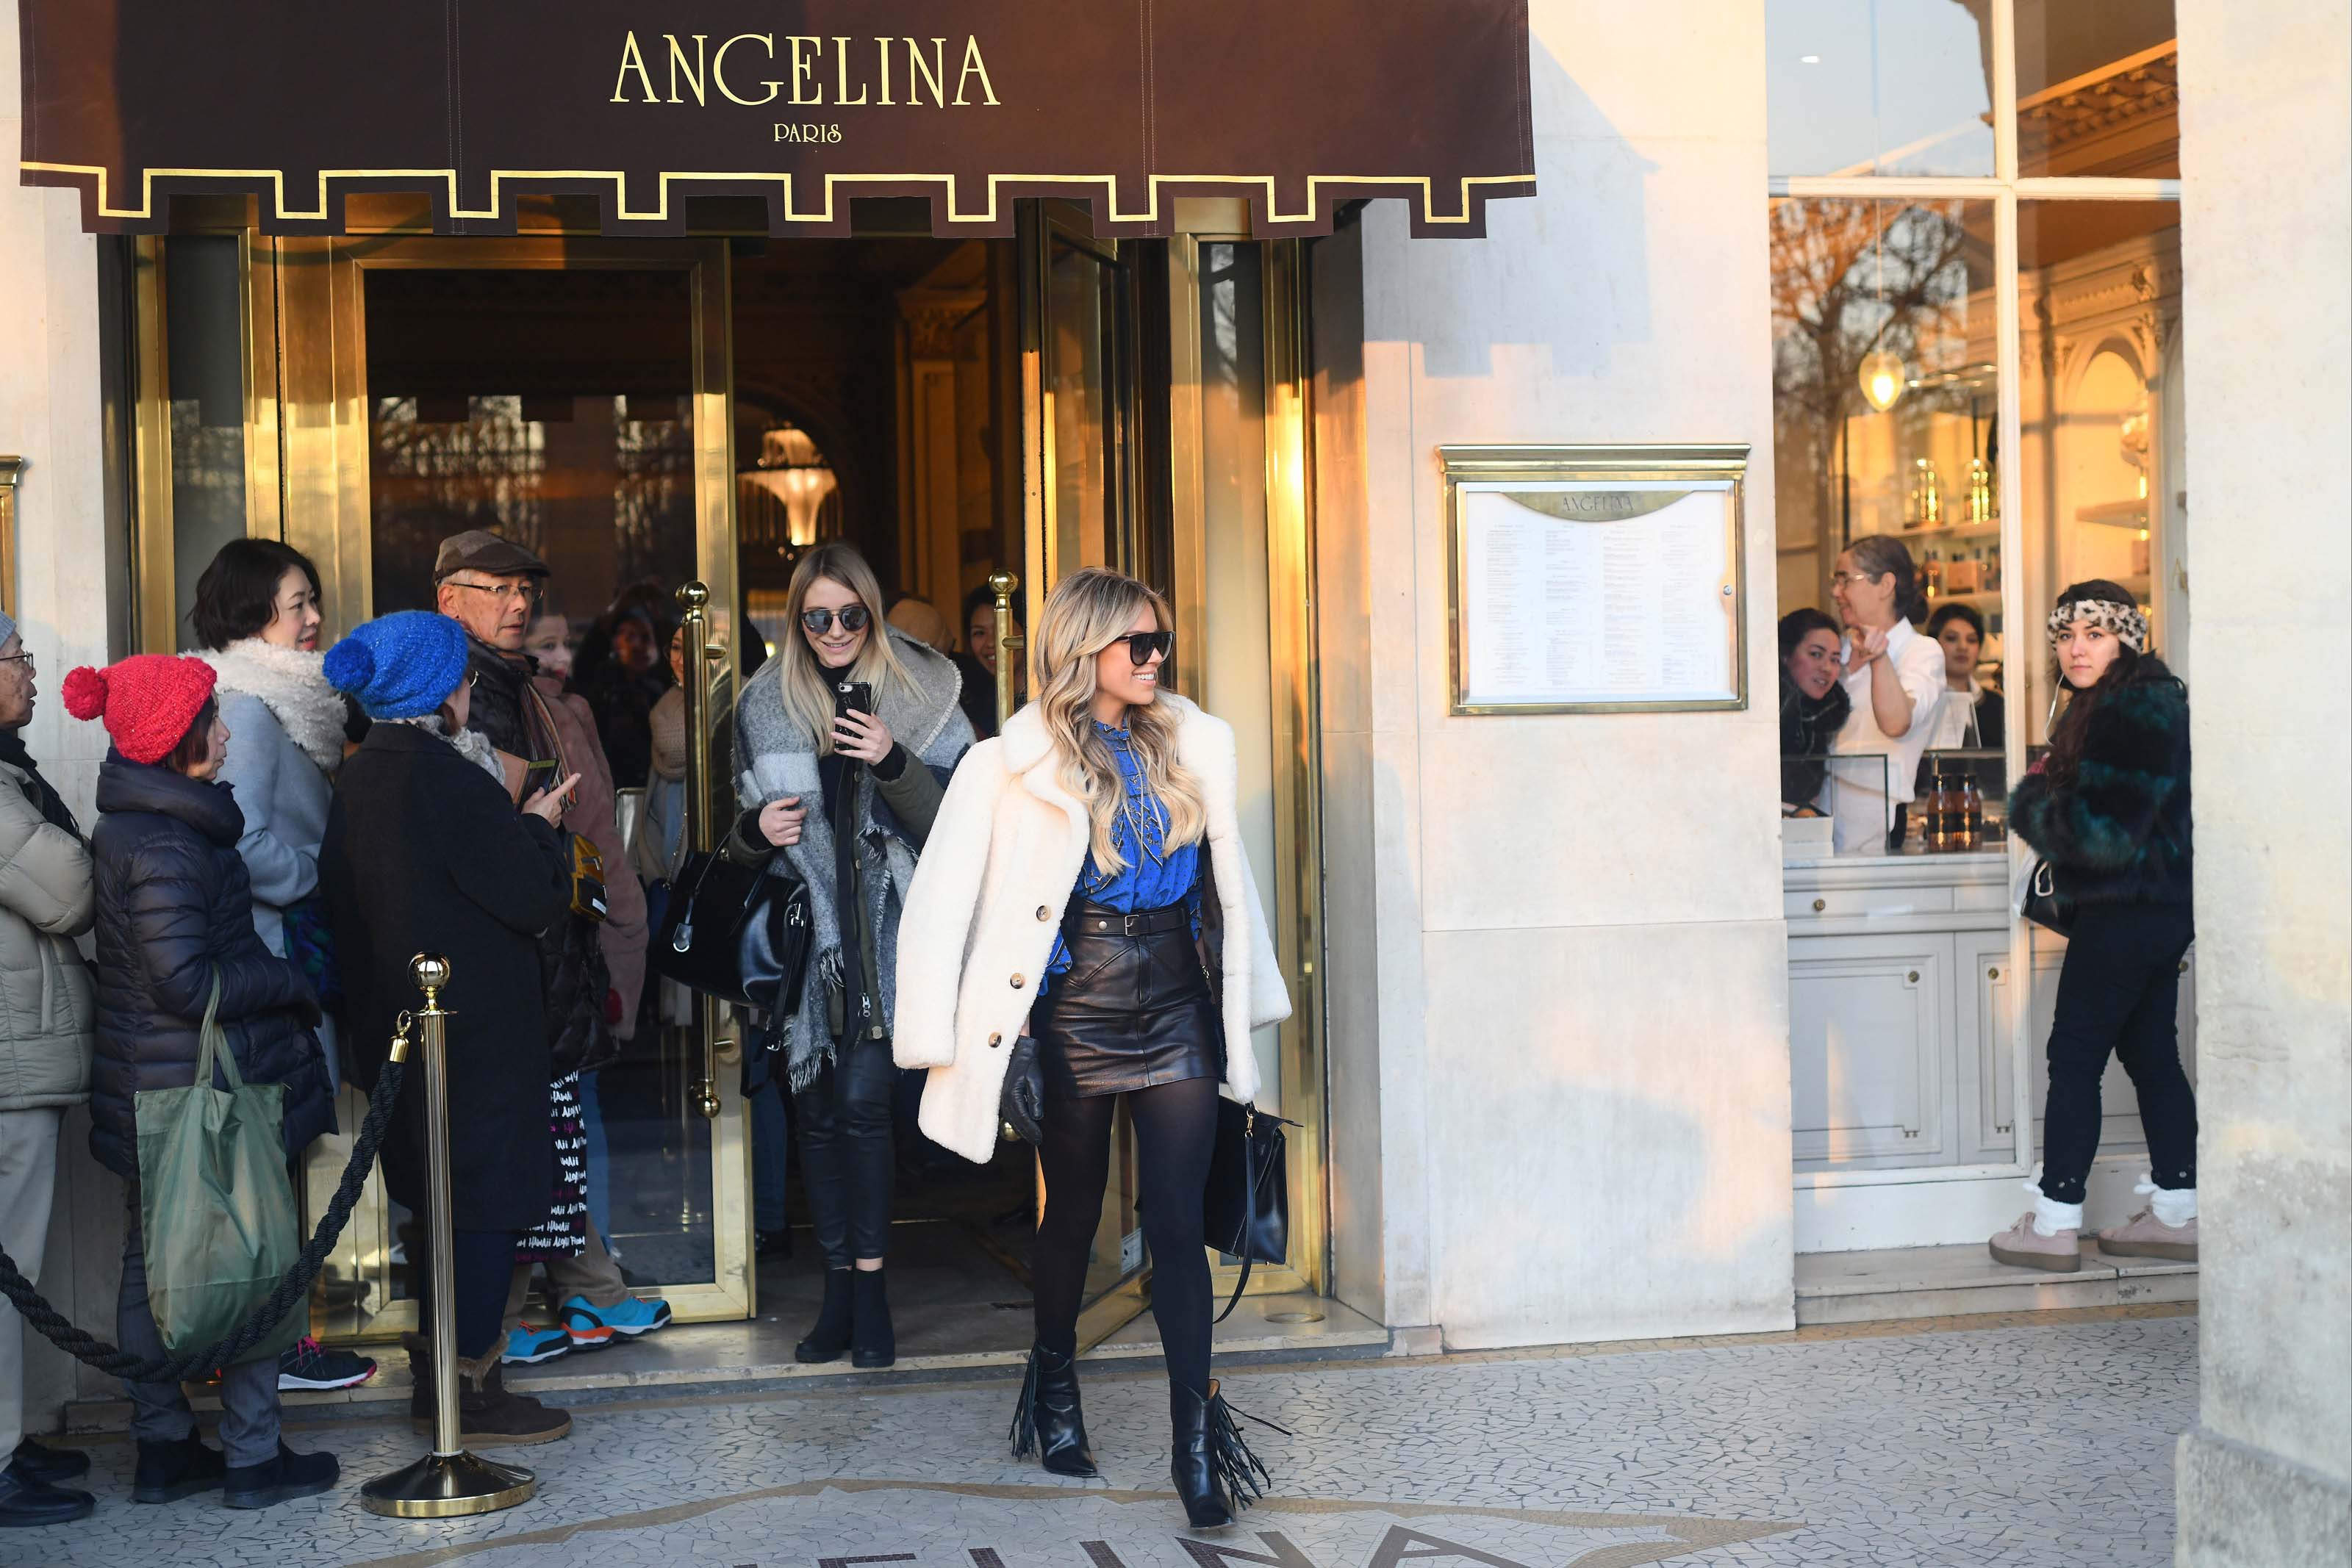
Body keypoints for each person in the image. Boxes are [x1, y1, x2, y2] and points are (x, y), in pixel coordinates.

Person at [894, 567, 1292, 1529]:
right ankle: (1054, 1380)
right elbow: (946, 903)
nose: (1157, 659)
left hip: (1176, 1001)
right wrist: (987, 1033)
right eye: (1138, 645)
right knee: (1070, 1213)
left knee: (1177, 1225)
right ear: (1085, 652)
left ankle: (1198, 1443)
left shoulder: (1196, 745)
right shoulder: (1007, 764)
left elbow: (1223, 886)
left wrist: (1242, 991)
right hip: (1074, 1005)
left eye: (1162, 643)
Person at [65, 654, 339, 1509]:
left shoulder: (148, 827)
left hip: (155, 1086)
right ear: (177, 737)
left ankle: (163, 1449)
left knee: (153, 1264)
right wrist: (289, 984)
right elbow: (185, 982)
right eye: (212, 722)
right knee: (247, 1258)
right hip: (196, 1094)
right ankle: (252, 1457)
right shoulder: (167, 842)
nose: (226, 735)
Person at [320, 612, 578, 1445]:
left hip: (399, 1036)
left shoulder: (359, 778)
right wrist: (538, 826)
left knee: (433, 1210)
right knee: (480, 1211)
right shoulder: (452, 780)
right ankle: (469, 1390)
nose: (471, 690)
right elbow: (531, 899)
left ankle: (442, 1388)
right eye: (464, 678)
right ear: (442, 691)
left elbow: (340, 913)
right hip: (477, 1041)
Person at [726, 542, 973, 1369]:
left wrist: (891, 759)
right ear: (797, 621)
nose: (834, 630)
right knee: (818, 1120)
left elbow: (959, 825)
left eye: (850, 615)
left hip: (887, 941)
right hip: (810, 949)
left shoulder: (926, 693)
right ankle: (837, 1291)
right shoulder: (764, 704)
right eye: (817, 617)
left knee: (865, 1111)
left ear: (870, 612)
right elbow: (740, 847)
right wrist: (753, 833)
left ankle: (870, 1293)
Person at [429, 530, 666, 1364]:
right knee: (529, 1134)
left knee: (564, 1124)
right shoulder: (448, 701)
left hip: (568, 939)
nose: (518, 602)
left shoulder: (544, 696)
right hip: (503, 958)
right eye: (495, 588)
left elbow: (591, 834)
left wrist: (620, 931)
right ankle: (521, 1310)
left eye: (525, 586)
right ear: (447, 599)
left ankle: (580, 1289)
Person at [187, 539, 377, 1396]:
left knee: (286, 1156)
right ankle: (276, 1349)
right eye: (294, 603)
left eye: (312, 599)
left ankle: (278, 1344)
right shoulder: (251, 707)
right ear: (247, 613)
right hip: (271, 961)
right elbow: (239, 832)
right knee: (275, 1161)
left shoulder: (291, 701)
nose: (313, 619)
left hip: (285, 956)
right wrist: (316, 881)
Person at [1989, 581, 2199, 1273]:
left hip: (2126, 911)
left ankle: (2054, 1222)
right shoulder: (2132, 701)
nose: (2077, 648)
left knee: (2073, 1057)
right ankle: (2176, 1212)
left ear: (2125, 639)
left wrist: (2033, 803)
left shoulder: (2131, 711)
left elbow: (2107, 836)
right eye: (2067, 634)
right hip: (2156, 910)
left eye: (2095, 634)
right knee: (2150, 1056)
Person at [0, 616, 99, 1526]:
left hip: (22, 1061)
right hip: (8, 1067)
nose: (32, 674)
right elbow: (68, 891)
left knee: (17, 1271)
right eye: (16, 659)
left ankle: (10, 1440)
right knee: (4, 1267)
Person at [1823, 535, 1945, 853]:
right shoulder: (1839, 646)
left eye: (1845, 580)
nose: (1837, 592)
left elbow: (1896, 723)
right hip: (1817, 808)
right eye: (1835, 582)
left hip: (1875, 815)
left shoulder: (1921, 652)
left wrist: (1879, 659)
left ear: (1886, 584)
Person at [1776, 608, 1850, 814]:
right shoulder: (1769, 713)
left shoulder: (1829, 713)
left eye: (1835, 659)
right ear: (1785, 655)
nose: (1827, 668)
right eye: (1816, 654)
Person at [1918, 602, 2007, 757]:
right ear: (1934, 644)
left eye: (1972, 640)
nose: (1963, 647)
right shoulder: (1920, 700)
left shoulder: (1996, 705)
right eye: (1952, 638)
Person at [959, 581, 1022, 741]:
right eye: (979, 633)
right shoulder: (978, 704)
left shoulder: (1051, 696)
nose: (991, 643)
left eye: (1002, 628)